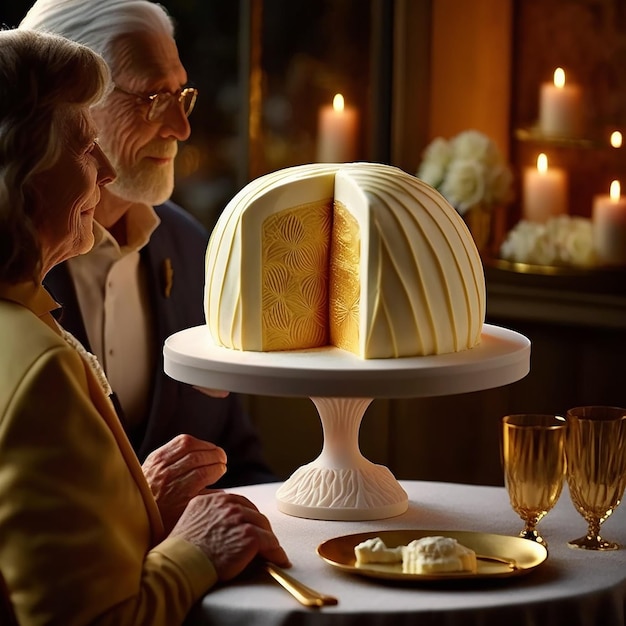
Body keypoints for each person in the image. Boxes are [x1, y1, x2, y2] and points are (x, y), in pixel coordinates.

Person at [0, 28, 289, 625]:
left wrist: (138, 507)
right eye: (83, 147)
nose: (106, 171)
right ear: (21, 174)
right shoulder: (39, 362)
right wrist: (194, 553)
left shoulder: (184, 247)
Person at [19, 0, 276, 490]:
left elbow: (242, 464)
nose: (182, 128)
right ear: (70, 105)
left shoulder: (192, 247)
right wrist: (141, 506)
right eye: (155, 97)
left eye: (181, 93)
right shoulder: (14, 267)